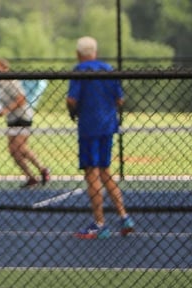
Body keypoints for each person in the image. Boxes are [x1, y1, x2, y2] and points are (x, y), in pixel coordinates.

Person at [67, 36, 135, 239]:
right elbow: (120, 99)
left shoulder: (80, 71)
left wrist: (74, 110)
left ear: (78, 54)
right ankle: (124, 217)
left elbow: (72, 99)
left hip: (89, 126)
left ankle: (99, 223)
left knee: (91, 172)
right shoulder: (108, 69)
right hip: (107, 125)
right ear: (95, 51)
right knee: (105, 170)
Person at [0, 57, 50, 188]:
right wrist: (2, 110)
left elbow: (21, 99)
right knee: (13, 150)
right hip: (12, 119)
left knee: (20, 147)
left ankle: (43, 169)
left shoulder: (10, 81)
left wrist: (6, 109)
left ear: (5, 68)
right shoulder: (0, 84)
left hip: (22, 117)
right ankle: (30, 177)